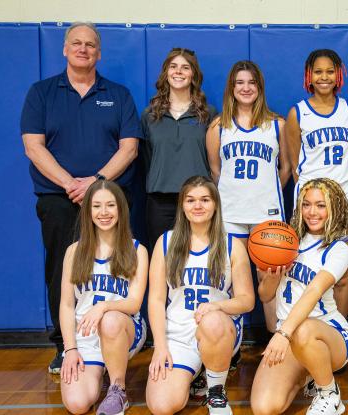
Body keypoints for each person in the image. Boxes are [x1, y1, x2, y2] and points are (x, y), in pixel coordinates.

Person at [20, 21, 141, 373]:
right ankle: (65, 345)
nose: (83, 49)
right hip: (59, 199)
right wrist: (71, 184)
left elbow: (130, 148)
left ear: (99, 52)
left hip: (109, 199)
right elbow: (33, 146)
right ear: (65, 49)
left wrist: (96, 184)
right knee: (63, 271)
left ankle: (117, 338)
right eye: (77, 43)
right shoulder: (42, 92)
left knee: (115, 267)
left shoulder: (118, 95)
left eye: (90, 44)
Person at [145, 176, 255, 415]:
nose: (198, 206)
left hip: (218, 330)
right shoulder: (166, 242)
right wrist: (160, 347)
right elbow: (155, 300)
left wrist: (218, 307)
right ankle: (195, 372)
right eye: (191, 200)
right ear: (182, 206)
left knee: (212, 321)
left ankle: (216, 390)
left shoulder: (232, 245)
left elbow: (247, 300)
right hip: (178, 333)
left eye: (205, 200)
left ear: (215, 204)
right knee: (162, 406)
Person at [250, 178, 348, 415]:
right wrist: (273, 278)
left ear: (333, 208)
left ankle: (329, 393)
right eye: (306, 204)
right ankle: (307, 376)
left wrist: (283, 333)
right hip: (290, 337)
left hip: (327, 334)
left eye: (320, 205)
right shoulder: (284, 240)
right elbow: (265, 296)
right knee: (264, 408)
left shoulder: (337, 249)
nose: (312, 212)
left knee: (304, 329)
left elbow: (313, 291)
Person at [206, 60, 291, 333]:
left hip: (266, 212)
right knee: (230, 279)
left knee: (270, 278)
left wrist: (264, 192)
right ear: (231, 88)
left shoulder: (277, 124)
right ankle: (230, 344)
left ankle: (275, 340)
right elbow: (215, 171)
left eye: (251, 82)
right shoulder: (218, 127)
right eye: (239, 82)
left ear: (260, 87)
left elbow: (286, 168)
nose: (245, 88)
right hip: (231, 213)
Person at [58, 180, 148, 415]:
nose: (104, 212)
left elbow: (135, 303)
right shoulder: (73, 252)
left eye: (110, 205)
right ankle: (100, 373)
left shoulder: (136, 249)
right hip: (85, 335)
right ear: (88, 211)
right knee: (77, 404)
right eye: (97, 206)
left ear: (121, 209)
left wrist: (104, 307)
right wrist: (70, 350)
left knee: (109, 320)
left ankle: (118, 388)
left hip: (123, 327)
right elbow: (67, 305)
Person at [285, 49, 348, 318]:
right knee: (306, 267)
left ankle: (339, 336)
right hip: (312, 200)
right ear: (309, 75)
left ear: (339, 74)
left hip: (346, 198)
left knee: (341, 275)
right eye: (318, 71)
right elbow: (296, 166)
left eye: (330, 71)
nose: (324, 76)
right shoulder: (297, 113)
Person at [141, 47, 216, 247]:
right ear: (166, 73)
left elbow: (215, 161)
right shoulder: (149, 115)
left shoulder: (208, 114)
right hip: (160, 201)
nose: (178, 71)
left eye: (185, 67)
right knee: (161, 260)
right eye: (173, 67)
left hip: (198, 200)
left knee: (197, 259)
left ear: (194, 75)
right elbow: (146, 159)